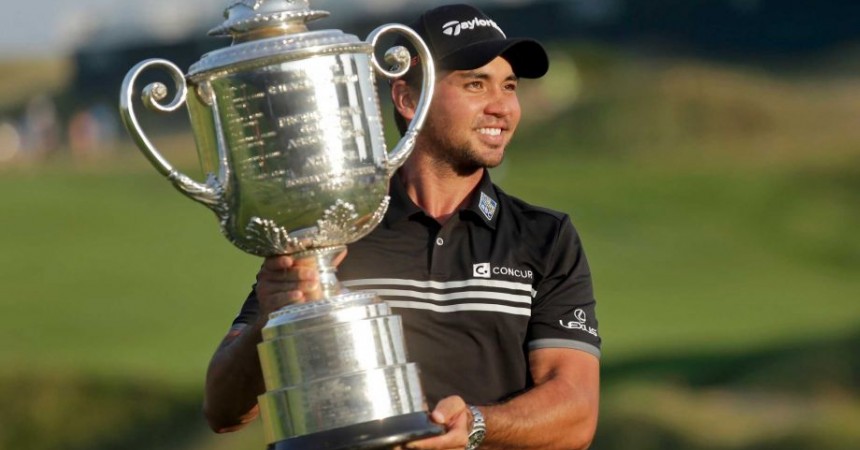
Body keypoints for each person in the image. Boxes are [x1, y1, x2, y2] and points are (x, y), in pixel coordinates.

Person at [203, 4, 601, 449]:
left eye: (509, 86)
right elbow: (223, 411)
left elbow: (576, 414)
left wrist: (475, 423)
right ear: (409, 100)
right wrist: (271, 319)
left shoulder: (545, 237)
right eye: (475, 84)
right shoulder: (331, 226)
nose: (502, 107)